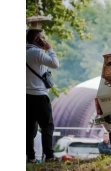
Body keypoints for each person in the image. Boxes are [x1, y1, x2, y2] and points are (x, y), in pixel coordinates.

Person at [24, 28, 59, 163]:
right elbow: (55, 64)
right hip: (39, 96)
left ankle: (31, 157)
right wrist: (49, 48)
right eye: (42, 37)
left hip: (26, 97)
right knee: (47, 127)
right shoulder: (37, 53)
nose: (44, 40)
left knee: (28, 129)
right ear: (36, 39)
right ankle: (49, 156)